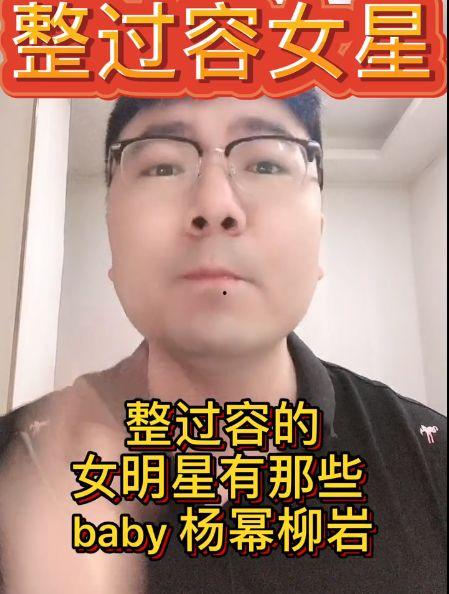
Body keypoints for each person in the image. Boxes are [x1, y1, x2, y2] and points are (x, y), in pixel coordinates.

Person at [0, 91, 446, 593]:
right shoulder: (15, 469)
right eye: (163, 167)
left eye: (266, 164)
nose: (214, 206)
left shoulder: (432, 463)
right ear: (113, 239)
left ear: (318, 236)